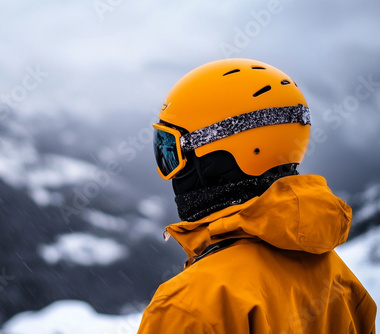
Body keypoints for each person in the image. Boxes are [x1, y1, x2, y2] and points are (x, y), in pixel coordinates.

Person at [137, 58, 377, 333]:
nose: (170, 172)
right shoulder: (342, 282)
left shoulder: (186, 307)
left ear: (232, 154)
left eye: (172, 151)